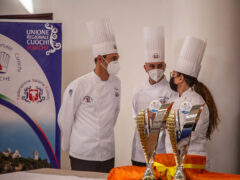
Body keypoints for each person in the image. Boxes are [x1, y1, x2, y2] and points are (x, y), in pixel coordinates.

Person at [58, 19, 121, 173]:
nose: (116, 62)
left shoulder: (117, 83)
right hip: (83, 154)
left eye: (117, 58)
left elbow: (114, 114)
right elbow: (65, 118)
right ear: (100, 59)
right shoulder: (79, 85)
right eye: (113, 58)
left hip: (107, 154)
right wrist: (66, 145)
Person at [166, 36, 219, 168]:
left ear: (180, 78)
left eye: (174, 74)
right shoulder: (175, 100)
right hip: (179, 162)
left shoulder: (195, 102)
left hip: (192, 163)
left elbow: (187, 134)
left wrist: (168, 127)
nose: (171, 77)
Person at [131, 27, 177, 166]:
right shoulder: (137, 90)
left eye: (159, 65)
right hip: (139, 152)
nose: (155, 69)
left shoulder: (172, 92)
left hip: (162, 153)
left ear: (165, 66)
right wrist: (145, 117)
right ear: (145, 67)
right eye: (152, 66)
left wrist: (162, 119)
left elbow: (175, 121)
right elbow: (134, 117)